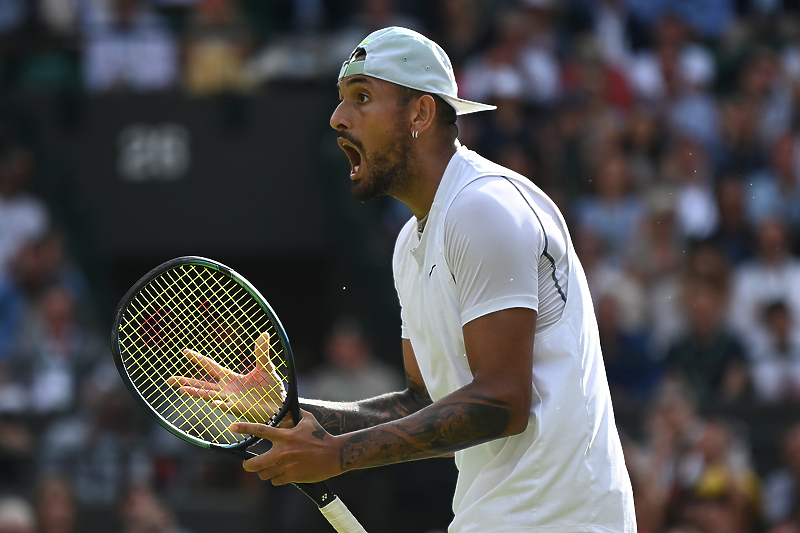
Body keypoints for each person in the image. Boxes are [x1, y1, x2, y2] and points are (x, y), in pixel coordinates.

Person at [173, 26, 636, 533]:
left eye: (363, 98)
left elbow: (504, 400)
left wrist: (339, 456)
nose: (337, 118)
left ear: (420, 113)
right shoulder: (409, 245)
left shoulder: (484, 209)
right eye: (342, 100)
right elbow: (425, 404)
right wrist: (291, 410)